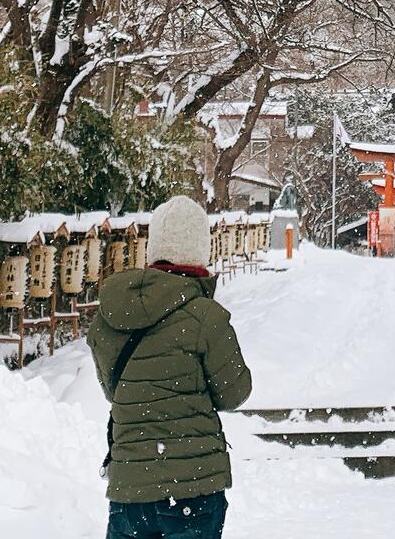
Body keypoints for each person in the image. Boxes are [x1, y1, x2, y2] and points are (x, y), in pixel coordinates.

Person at [89, 195, 253, 538]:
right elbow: (234, 393)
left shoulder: (111, 317)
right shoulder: (205, 316)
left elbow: (114, 391)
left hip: (128, 491)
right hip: (191, 487)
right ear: (200, 251)